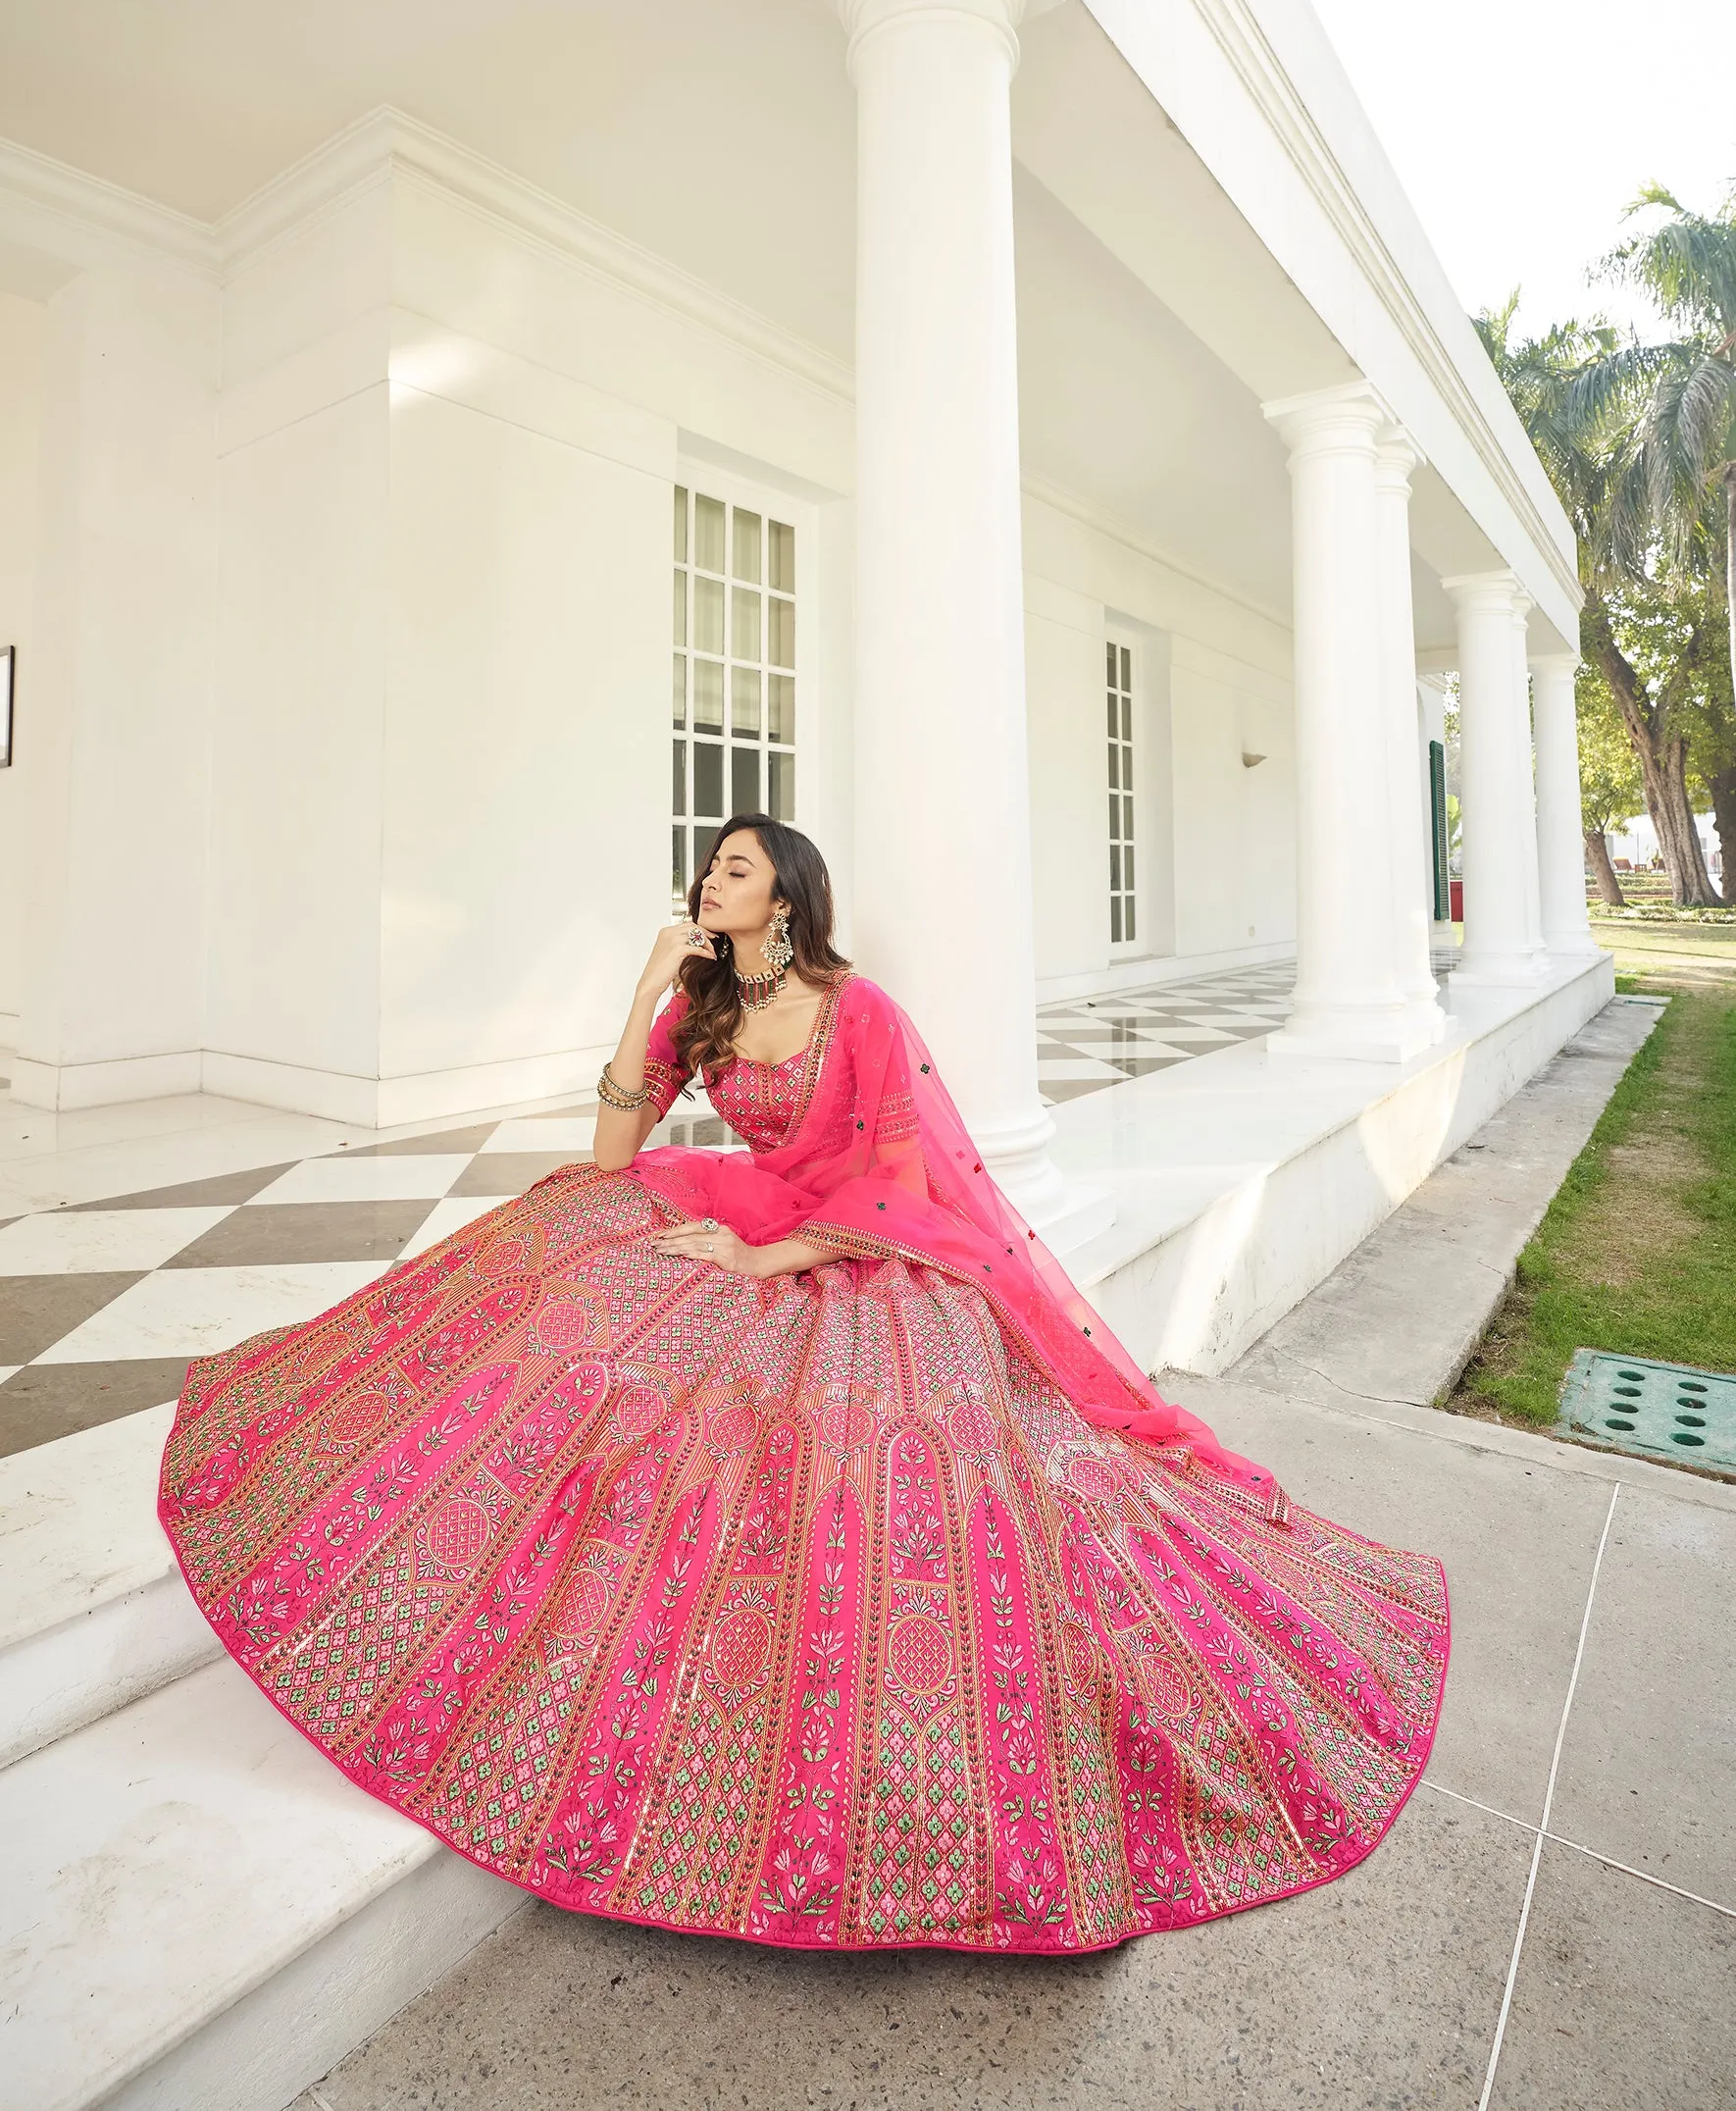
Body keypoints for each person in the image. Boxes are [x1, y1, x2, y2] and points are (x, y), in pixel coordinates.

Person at [160, 815, 1449, 1953]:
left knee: (887, 1424)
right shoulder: (702, 1001)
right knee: (574, 1238)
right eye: (706, 868)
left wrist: (772, 1250)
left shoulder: (861, 1007)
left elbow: (899, 1173)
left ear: (786, 893)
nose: (710, 880)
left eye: (735, 866)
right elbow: (613, 1149)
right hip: (754, 1199)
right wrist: (644, 988)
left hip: (867, 1234)